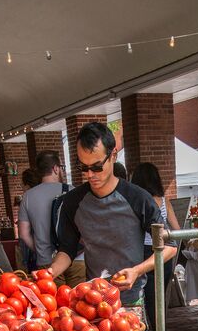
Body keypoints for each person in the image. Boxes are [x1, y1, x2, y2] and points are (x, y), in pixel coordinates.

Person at [48, 122, 176, 306]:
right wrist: (50, 272)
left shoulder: (137, 197)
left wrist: (137, 270)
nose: (90, 174)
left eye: (97, 167)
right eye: (84, 168)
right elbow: (67, 249)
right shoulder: (72, 201)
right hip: (93, 301)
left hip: (131, 300)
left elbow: (169, 247)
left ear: (113, 155)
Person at [130, 161, 181, 331]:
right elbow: (175, 227)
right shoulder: (164, 199)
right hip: (164, 252)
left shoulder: (136, 201)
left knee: (145, 298)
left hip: (144, 251)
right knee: (158, 298)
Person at [18, 151, 68, 275]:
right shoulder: (72, 190)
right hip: (76, 258)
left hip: (46, 261)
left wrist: (39, 249)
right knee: (81, 294)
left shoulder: (28, 196)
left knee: (52, 294)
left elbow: (23, 234)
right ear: (56, 169)